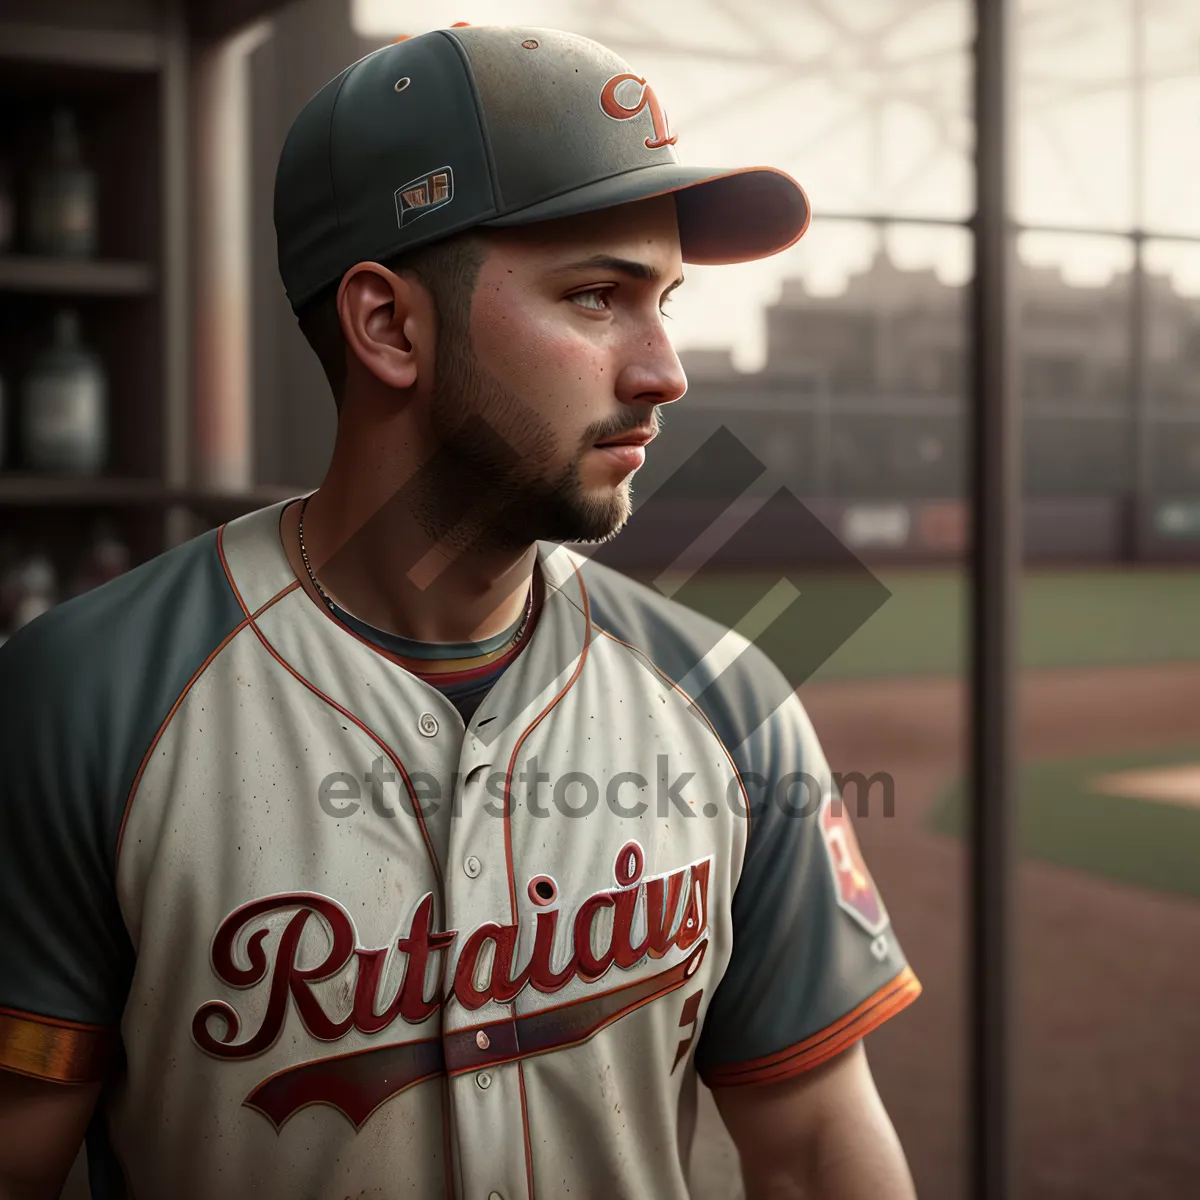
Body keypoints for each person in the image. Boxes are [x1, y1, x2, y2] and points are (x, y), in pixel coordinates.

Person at [0, 23, 922, 1200]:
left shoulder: (727, 699)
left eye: (666, 302)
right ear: (388, 325)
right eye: (597, 298)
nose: (663, 370)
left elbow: (816, 1148)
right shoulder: (85, 703)